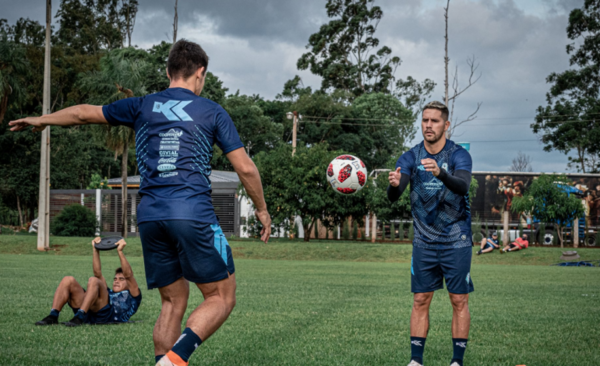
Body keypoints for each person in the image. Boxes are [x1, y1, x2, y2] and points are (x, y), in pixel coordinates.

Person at [11, 39, 272, 366]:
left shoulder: (143, 105)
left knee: (172, 303)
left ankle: (162, 361)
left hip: (149, 217)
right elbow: (245, 167)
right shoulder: (211, 111)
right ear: (200, 73)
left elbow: (82, 114)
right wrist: (261, 210)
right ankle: (174, 360)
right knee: (221, 296)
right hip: (191, 211)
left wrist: (41, 119)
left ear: (167, 71)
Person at [388, 101, 473, 366]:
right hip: (424, 241)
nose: (428, 125)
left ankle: (457, 361)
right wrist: (393, 185)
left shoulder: (458, 154)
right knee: (420, 299)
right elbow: (394, 196)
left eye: (435, 121)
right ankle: (416, 361)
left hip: (456, 239)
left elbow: (462, 186)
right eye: (425, 120)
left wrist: (440, 172)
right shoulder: (410, 157)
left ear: (446, 125)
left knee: (458, 299)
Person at [35, 237, 141, 326]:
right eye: (115, 279)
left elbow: (129, 275)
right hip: (90, 313)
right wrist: (95, 249)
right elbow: (97, 273)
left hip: (105, 316)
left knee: (94, 280)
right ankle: (53, 316)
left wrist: (120, 251)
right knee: (68, 280)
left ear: (128, 283)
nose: (116, 281)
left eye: (121, 279)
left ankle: (80, 315)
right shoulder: (108, 292)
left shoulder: (134, 296)